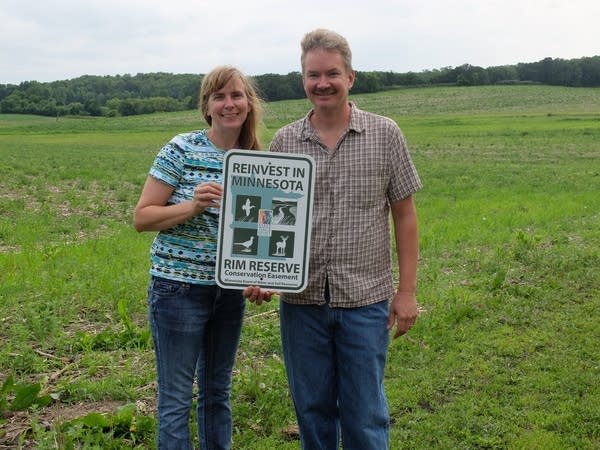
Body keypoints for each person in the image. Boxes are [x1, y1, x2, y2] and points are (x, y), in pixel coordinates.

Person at [245, 29, 423, 449]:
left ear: (350, 77)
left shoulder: (385, 134)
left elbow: (405, 214)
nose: (322, 83)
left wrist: (407, 292)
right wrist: (262, 272)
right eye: (312, 75)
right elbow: (269, 217)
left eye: (331, 74)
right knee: (313, 412)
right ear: (302, 79)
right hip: (301, 303)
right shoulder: (286, 140)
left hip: (365, 301)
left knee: (364, 415)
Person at [134, 65, 263, 450]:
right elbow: (142, 217)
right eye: (219, 96)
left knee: (217, 392)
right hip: (179, 289)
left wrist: (261, 273)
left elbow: (263, 229)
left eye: (236, 95)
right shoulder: (181, 149)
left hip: (228, 292)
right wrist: (192, 206)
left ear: (248, 103)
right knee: (175, 399)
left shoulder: (255, 159)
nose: (229, 104)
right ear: (206, 106)